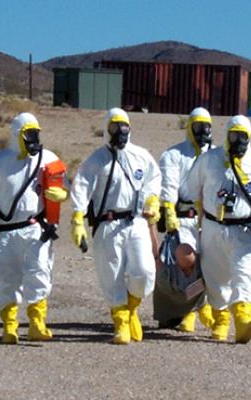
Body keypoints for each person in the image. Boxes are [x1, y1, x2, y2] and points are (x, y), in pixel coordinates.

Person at [0, 112, 69, 344]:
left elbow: (65, 182)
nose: (33, 138)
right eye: (28, 134)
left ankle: (36, 322)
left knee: (40, 272)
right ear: (16, 135)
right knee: (4, 277)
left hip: (36, 229)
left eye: (36, 133)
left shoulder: (48, 159)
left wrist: (62, 193)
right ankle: (10, 325)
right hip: (5, 231)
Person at [69, 107, 161, 345]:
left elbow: (153, 179)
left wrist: (152, 200)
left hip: (136, 221)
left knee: (145, 272)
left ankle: (132, 308)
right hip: (108, 225)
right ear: (106, 129)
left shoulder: (141, 156)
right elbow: (81, 188)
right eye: (114, 127)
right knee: (112, 275)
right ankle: (120, 322)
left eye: (124, 126)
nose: (119, 131)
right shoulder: (96, 160)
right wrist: (77, 219)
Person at [186, 115, 251, 344]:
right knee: (215, 276)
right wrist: (200, 210)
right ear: (226, 135)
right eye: (234, 135)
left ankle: (243, 322)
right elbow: (192, 187)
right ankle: (221, 320)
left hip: (246, 229)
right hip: (213, 227)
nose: (238, 140)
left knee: (244, 272)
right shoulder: (209, 159)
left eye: (243, 136)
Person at [155, 107, 215, 332]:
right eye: (198, 126)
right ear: (190, 127)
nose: (203, 131)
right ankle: (189, 310)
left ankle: (202, 308)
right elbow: (168, 183)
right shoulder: (174, 155)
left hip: (210, 218)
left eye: (207, 126)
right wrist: (168, 209)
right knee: (187, 265)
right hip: (184, 218)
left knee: (210, 265)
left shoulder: (216, 155)